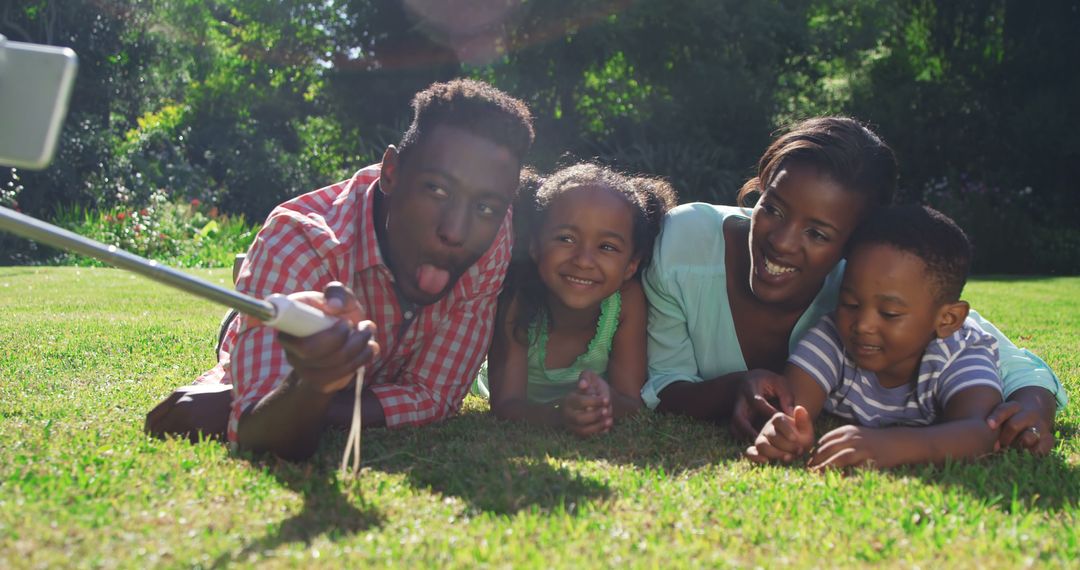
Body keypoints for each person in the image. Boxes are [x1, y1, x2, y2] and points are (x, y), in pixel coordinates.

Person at [643, 117, 1067, 455]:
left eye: (819, 234)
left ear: (854, 244)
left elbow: (1000, 356)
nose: (782, 242)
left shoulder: (861, 284)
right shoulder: (685, 244)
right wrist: (736, 388)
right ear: (761, 185)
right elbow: (664, 384)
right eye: (771, 207)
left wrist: (1032, 406)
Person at [189, 78, 535, 460]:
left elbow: (436, 395)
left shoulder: (494, 233)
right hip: (276, 299)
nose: (455, 231)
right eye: (436, 189)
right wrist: (313, 383)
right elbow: (257, 434)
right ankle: (245, 305)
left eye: (485, 207)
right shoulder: (299, 240)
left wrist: (320, 400)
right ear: (390, 172)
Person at [746, 205, 1003, 468]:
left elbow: (981, 432)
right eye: (851, 303)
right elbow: (792, 410)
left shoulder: (962, 350)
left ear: (947, 320)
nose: (863, 325)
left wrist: (891, 445)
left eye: (890, 313)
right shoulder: (833, 337)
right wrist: (784, 432)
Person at [477, 164, 677, 436]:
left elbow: (631, 402)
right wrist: (558, 414)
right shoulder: (517, 298)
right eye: (566, 238)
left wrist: (604, 402)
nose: (583, 261)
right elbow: (506, 405)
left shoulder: (625, 302)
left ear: (631, 264)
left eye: (606, 246)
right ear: (535, 246)